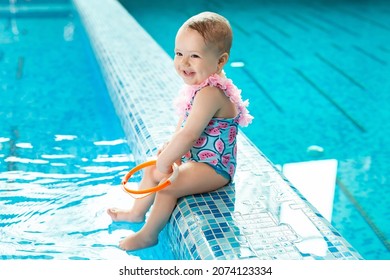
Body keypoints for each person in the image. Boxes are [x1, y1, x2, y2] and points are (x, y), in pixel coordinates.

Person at [107, 11, 253, 251]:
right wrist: (168, 150)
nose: (184, 63)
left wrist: (169, 158)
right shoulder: (199, 86)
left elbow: (190, 135)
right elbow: (183, 125)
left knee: (167, 184)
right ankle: (136, 213)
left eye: (194, 56)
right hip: (195, 159)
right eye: (179, 54)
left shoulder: (211, 93)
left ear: (220, 61)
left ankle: (148, 235)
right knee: (153, 167)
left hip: (214, 168)